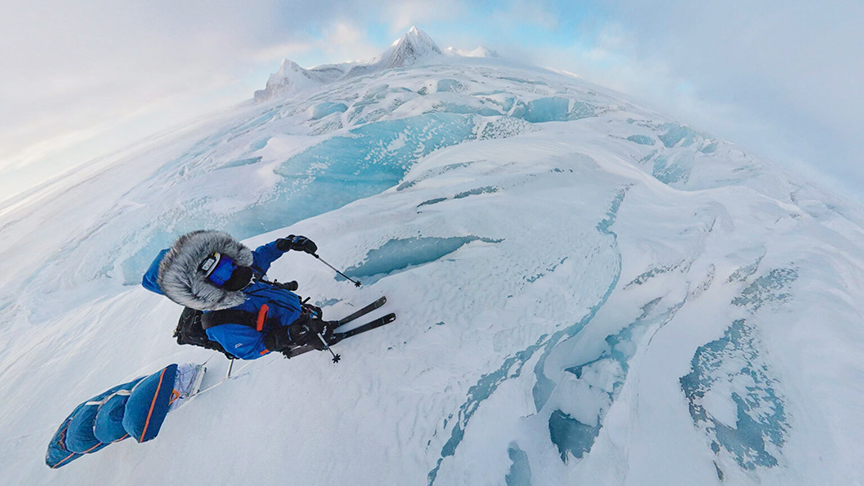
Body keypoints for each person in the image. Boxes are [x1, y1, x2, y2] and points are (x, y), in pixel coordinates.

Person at [142, 230, 336, 360]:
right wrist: (289, 336)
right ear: (201, 288)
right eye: (217, 273)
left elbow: (259, 258)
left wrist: (282, 245)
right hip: (289, 331)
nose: (232, 269)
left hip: (293, 311)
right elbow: (250, 350)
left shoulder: (239, 272)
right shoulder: (221, 322)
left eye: (224, 260)